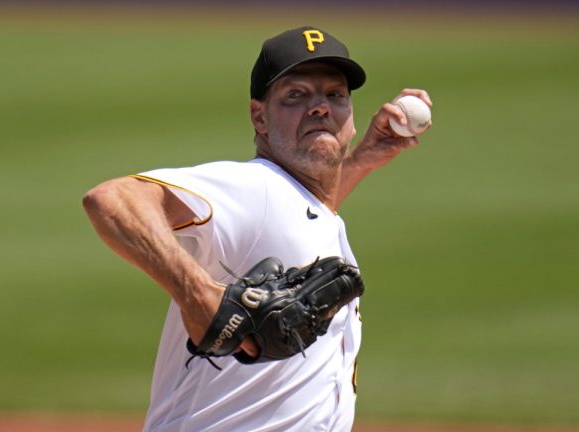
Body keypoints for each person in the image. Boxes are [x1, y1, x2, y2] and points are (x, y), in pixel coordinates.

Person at [83, 26, 432, 432]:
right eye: (296, 96)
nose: (320, 107)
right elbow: (112, 200)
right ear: (259, 117)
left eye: (335, 95)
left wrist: (360, 160)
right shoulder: (253, 186)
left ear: (350, 118)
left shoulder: (299, 204)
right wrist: (197, 294)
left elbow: (297, 220)